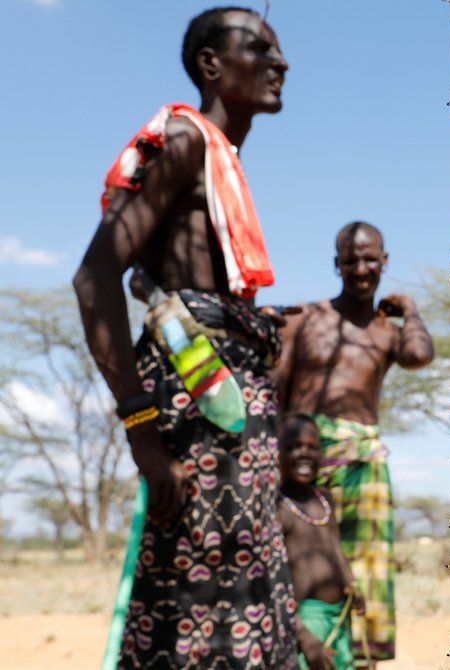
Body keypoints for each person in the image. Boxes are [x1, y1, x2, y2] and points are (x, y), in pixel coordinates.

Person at [73, 7, 297, 668]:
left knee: (242, 584)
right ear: (210, 64)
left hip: (229, 403)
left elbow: (157, 278)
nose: (280, 63)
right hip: (194, 407)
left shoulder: (221, 159)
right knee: (194, 594)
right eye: (259, 47)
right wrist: (141, 430)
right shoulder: (186, 140)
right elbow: (95, 279)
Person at [273, 221, 434, 665]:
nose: (361, 269)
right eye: (350, 260)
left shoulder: (388, 331)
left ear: (384, 262)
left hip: (364, 460)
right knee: (298, 559)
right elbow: (276, 393)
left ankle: (359, 659)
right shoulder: (304, 319)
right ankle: (299, 650)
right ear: (336, 264)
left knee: (364, 574)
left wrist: (411, 310)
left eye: (370, 259)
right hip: (305, 456)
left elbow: (420, 356)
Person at [278, 413, 365, 670]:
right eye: (292, 447)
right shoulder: (276, 505)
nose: (303, 454)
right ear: (276, 453)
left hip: (339, 615)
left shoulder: (325, 499)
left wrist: (350, 582)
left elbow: (334, 546)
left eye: (312, 447)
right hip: (305, 621)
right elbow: (275, 580)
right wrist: (303, 636)